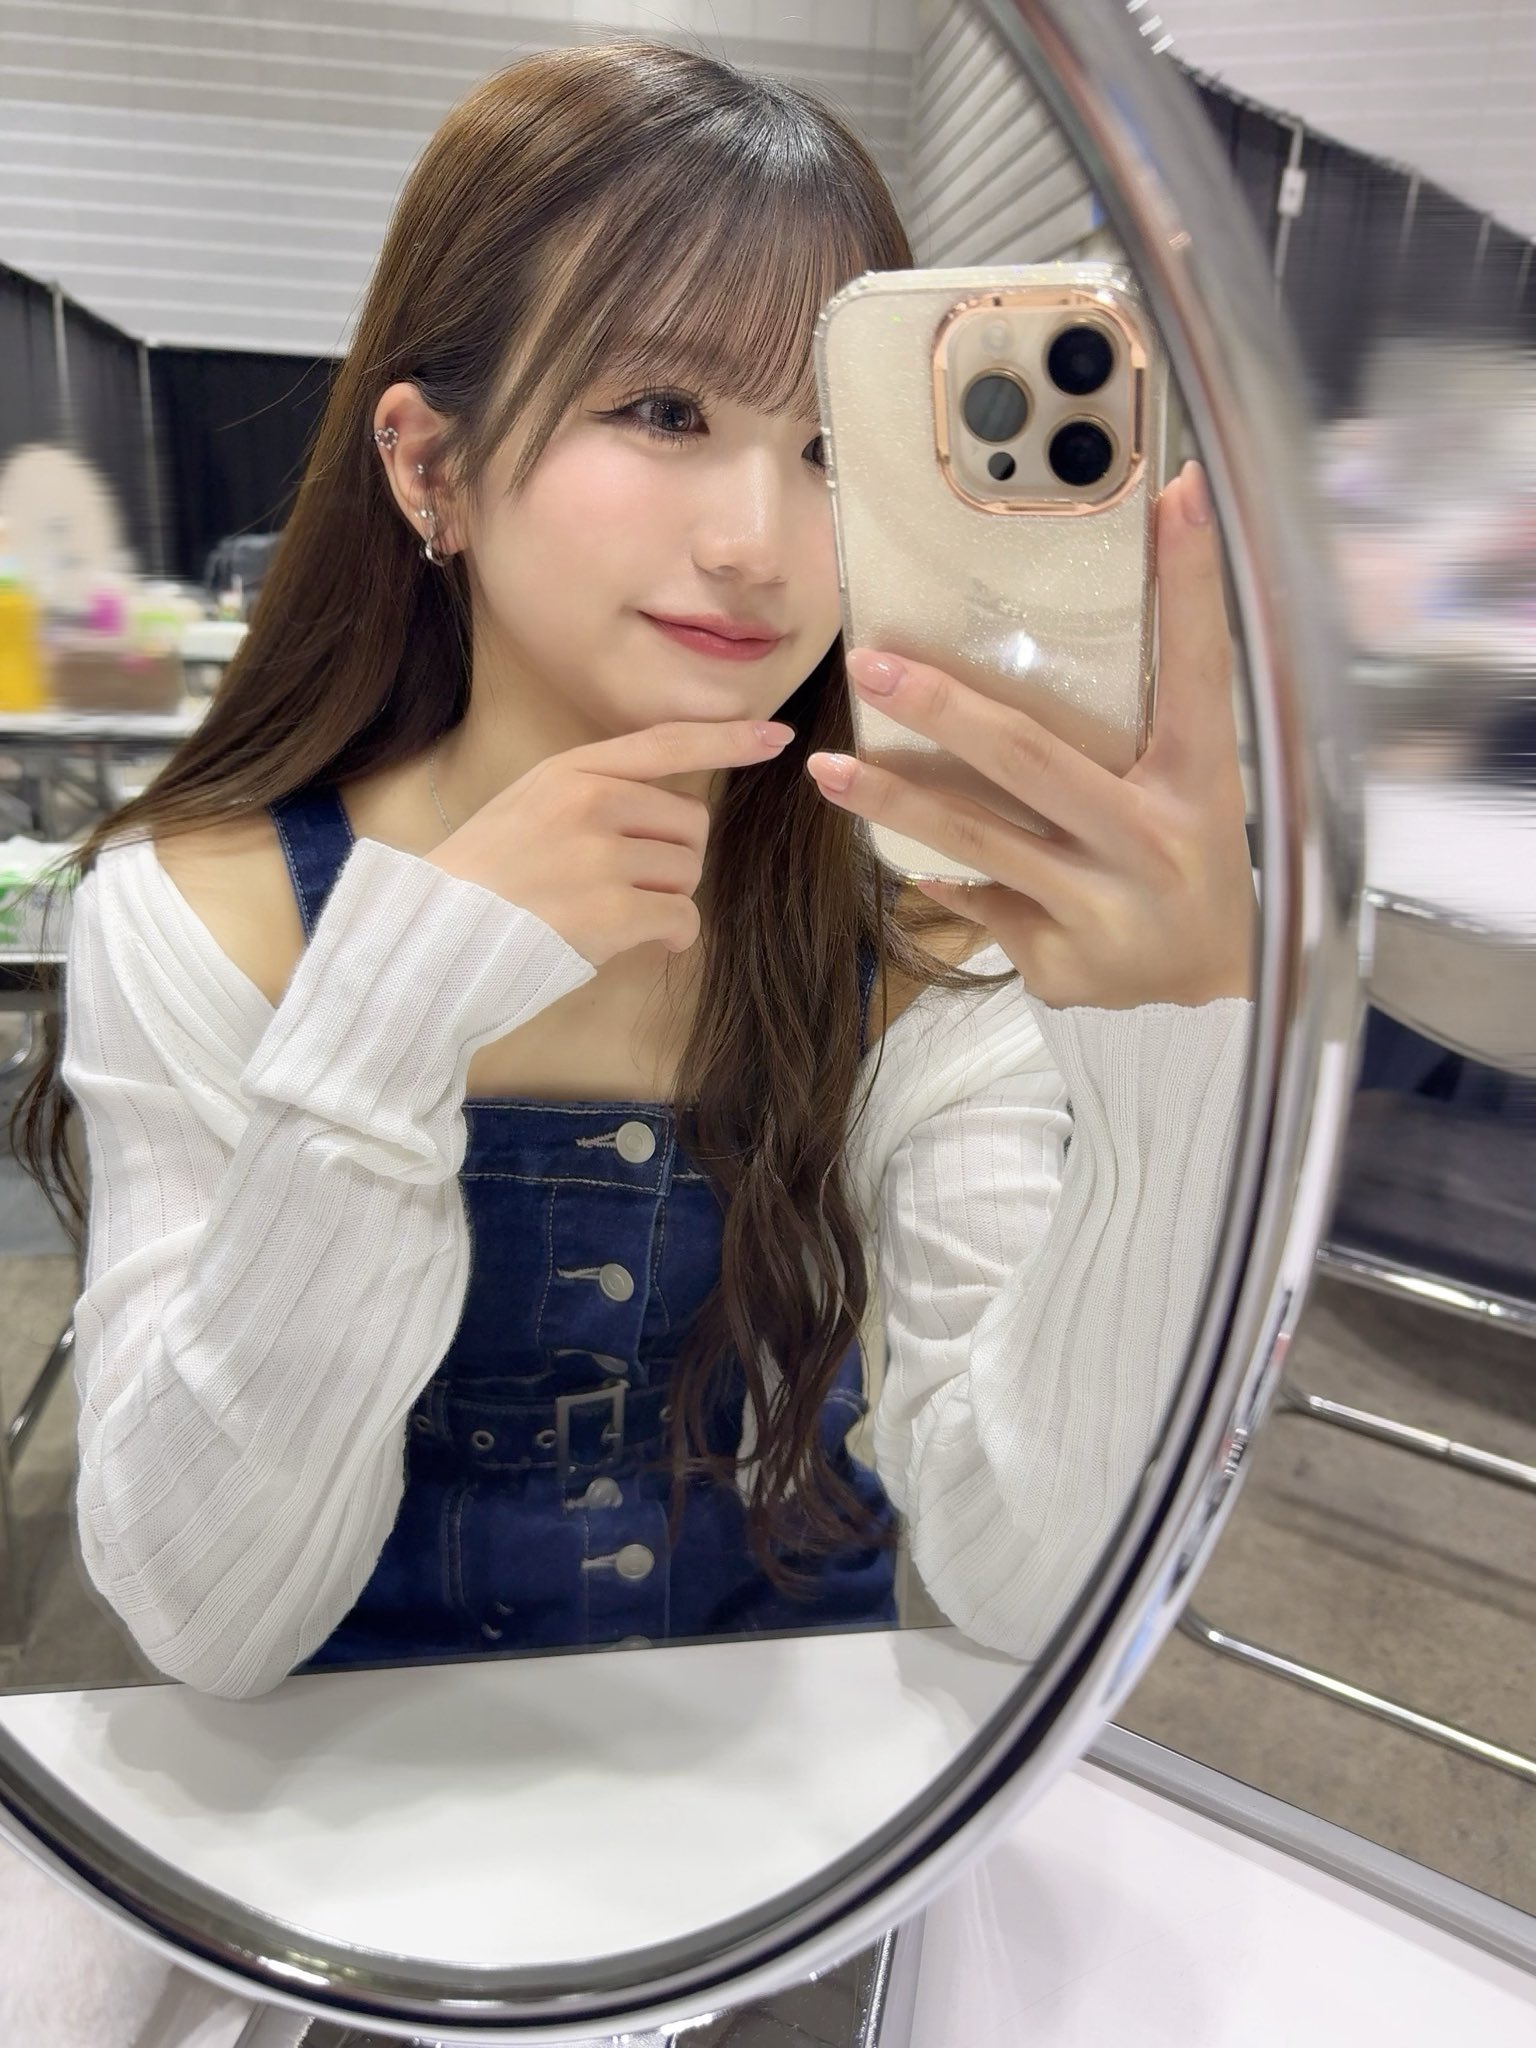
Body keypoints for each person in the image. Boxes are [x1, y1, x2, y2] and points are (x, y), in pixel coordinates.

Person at [13, 42, 1255, 1701]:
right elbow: (210, 1621)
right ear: (429, 466)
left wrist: (1175, 1059)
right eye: (663, 410)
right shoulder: (202, 906)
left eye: (832, 450)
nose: (760, 542)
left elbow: (1039, 1587)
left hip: (796, 1798)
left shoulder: (923, 931)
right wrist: (392, 1015)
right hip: (329, 1795)